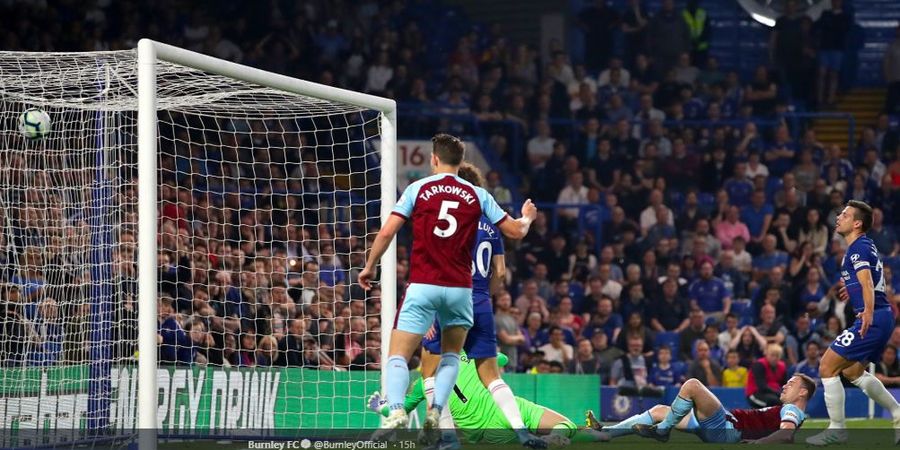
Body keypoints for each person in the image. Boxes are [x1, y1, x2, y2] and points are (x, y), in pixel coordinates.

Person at [358, 134, 537, 446]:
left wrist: (370, 265)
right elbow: (516, 233)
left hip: (424, 285)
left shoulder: (418, 188)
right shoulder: (479, 195)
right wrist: (528, 218)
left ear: (434, 159)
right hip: (461, 291)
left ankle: (398, 409)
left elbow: (388, 231)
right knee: (452, 357)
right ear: (460, 159)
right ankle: (437, 410)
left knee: (399, 355)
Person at [417, 162, 545, 448]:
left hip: (449, 300)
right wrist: (484, 295)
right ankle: (522, 431)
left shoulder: (446, 220)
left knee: (428, 371)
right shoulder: (490, 224)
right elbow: (500, 274)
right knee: (491, 376)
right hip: (481, 301)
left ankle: (448, 439)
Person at [806, 200, 900, 445]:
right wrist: (854, 289)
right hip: (882, 316)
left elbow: (868, 281)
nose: (839, 217)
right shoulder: (863, 246)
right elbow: (872, 280)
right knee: (852, 371)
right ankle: (899, 413)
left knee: (827, 366)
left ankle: (837, 428)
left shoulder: (858, 248)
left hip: (873, 317)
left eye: (845, 214)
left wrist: (867, 310)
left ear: (857, 223)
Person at [367, 352, 608, 446]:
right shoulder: (469, 352)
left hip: (483, 432)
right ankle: (606, 433)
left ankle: (604, 433)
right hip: (506, 409)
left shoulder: (422, 382)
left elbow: (404, 409)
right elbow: (501, 360)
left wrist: (382, 408)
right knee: (565, 427)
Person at [604, 374, 814, 444]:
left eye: (792, 383)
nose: (785, 385)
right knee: (660, 410)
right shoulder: (788, 411)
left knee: (693, 385)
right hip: (722, 428)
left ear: (803, 393)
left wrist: (759, 444)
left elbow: (786, 433)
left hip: (727, 428)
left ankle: (663, 431)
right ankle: (605, 434)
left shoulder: (792, 411)